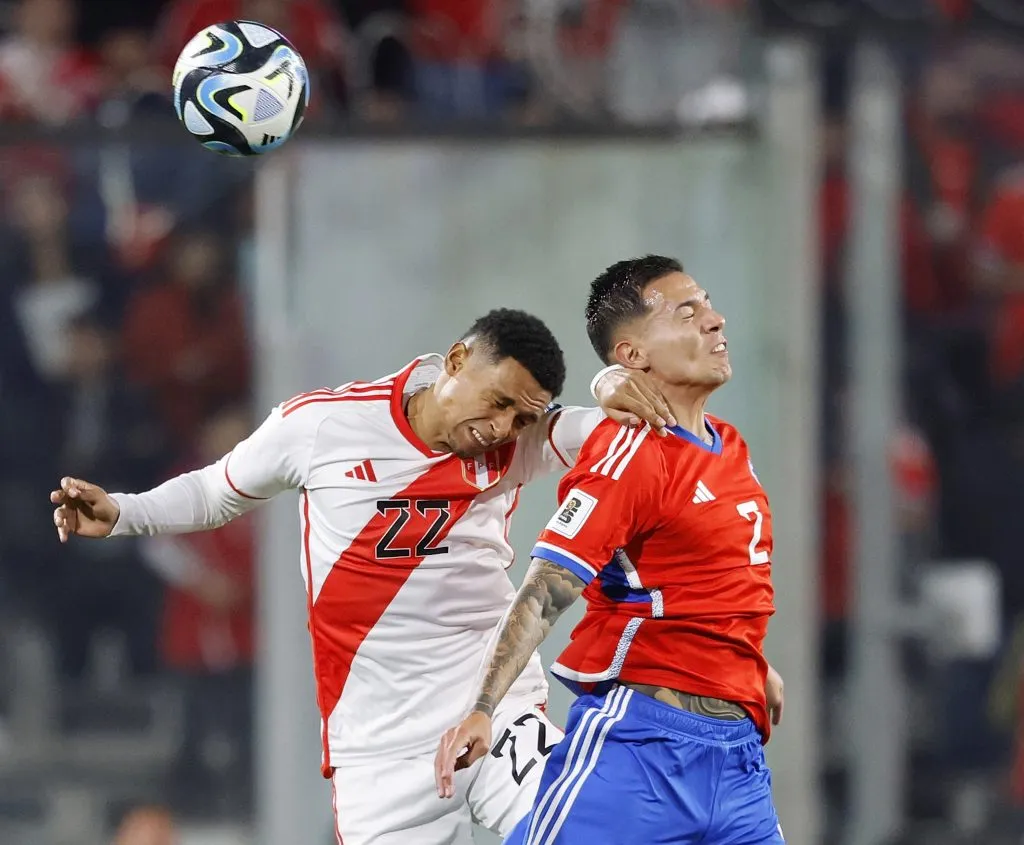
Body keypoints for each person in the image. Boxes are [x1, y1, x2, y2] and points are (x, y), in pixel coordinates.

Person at [51, 308, 674, 845]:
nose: (503, 426)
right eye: (500, 402)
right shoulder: (324, 426)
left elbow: (607, 430)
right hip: (377, 750)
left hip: (492, 712)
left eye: (522, 415)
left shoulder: (521, 439)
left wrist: (612, 381)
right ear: (457, 360)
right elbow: (219, 491)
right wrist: (125, 512)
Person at [435, 258, 786, 844]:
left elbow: (705, 576)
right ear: (633, 354)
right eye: (687, 312)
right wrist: (483, 707)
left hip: (738, 760)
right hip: (643, 752)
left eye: (708, 304)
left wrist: (747, 659)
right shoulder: (632, 455)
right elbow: (546, 588)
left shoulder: (730, 447)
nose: (716, 321)